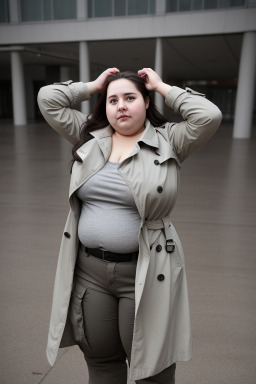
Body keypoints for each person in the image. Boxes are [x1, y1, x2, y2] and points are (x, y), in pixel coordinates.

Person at [38, 67, 222, 384]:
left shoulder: (170, 141)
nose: (120, 105)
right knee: (102, 363)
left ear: (146, 102)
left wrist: (164, 86)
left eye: (130, 97)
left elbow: (209, 115)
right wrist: (93, 85)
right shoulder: (91, 138)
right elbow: (48, 99)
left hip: (146, 271)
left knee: (152, 369)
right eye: (112, 100)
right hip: (90, 273)